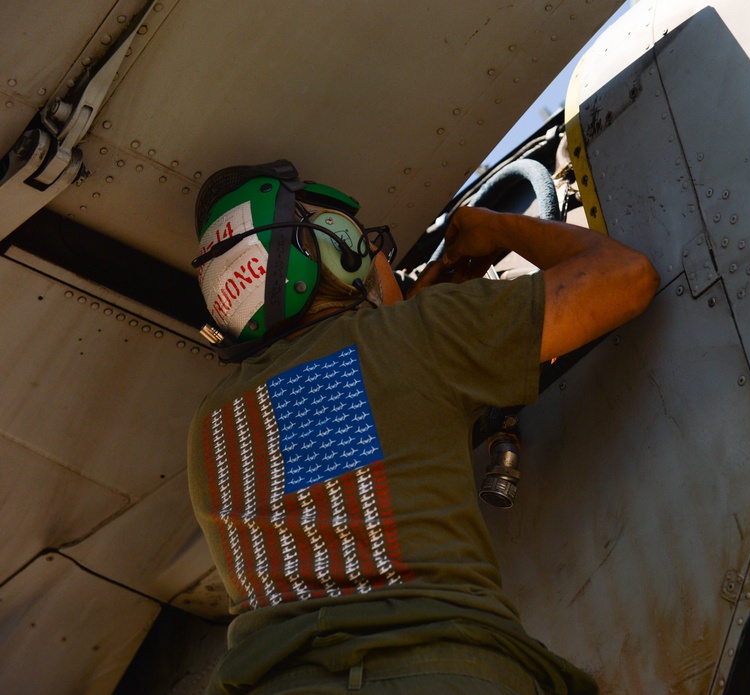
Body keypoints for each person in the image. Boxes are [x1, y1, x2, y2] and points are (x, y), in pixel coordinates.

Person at [187, 160, 659, 694]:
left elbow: (346, 436)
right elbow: (626, 278)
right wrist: (497, 230)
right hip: (442, 672)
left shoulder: (212, 423)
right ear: (337, 251)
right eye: (372, 248)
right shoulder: (421, 336)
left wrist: (417, 319)